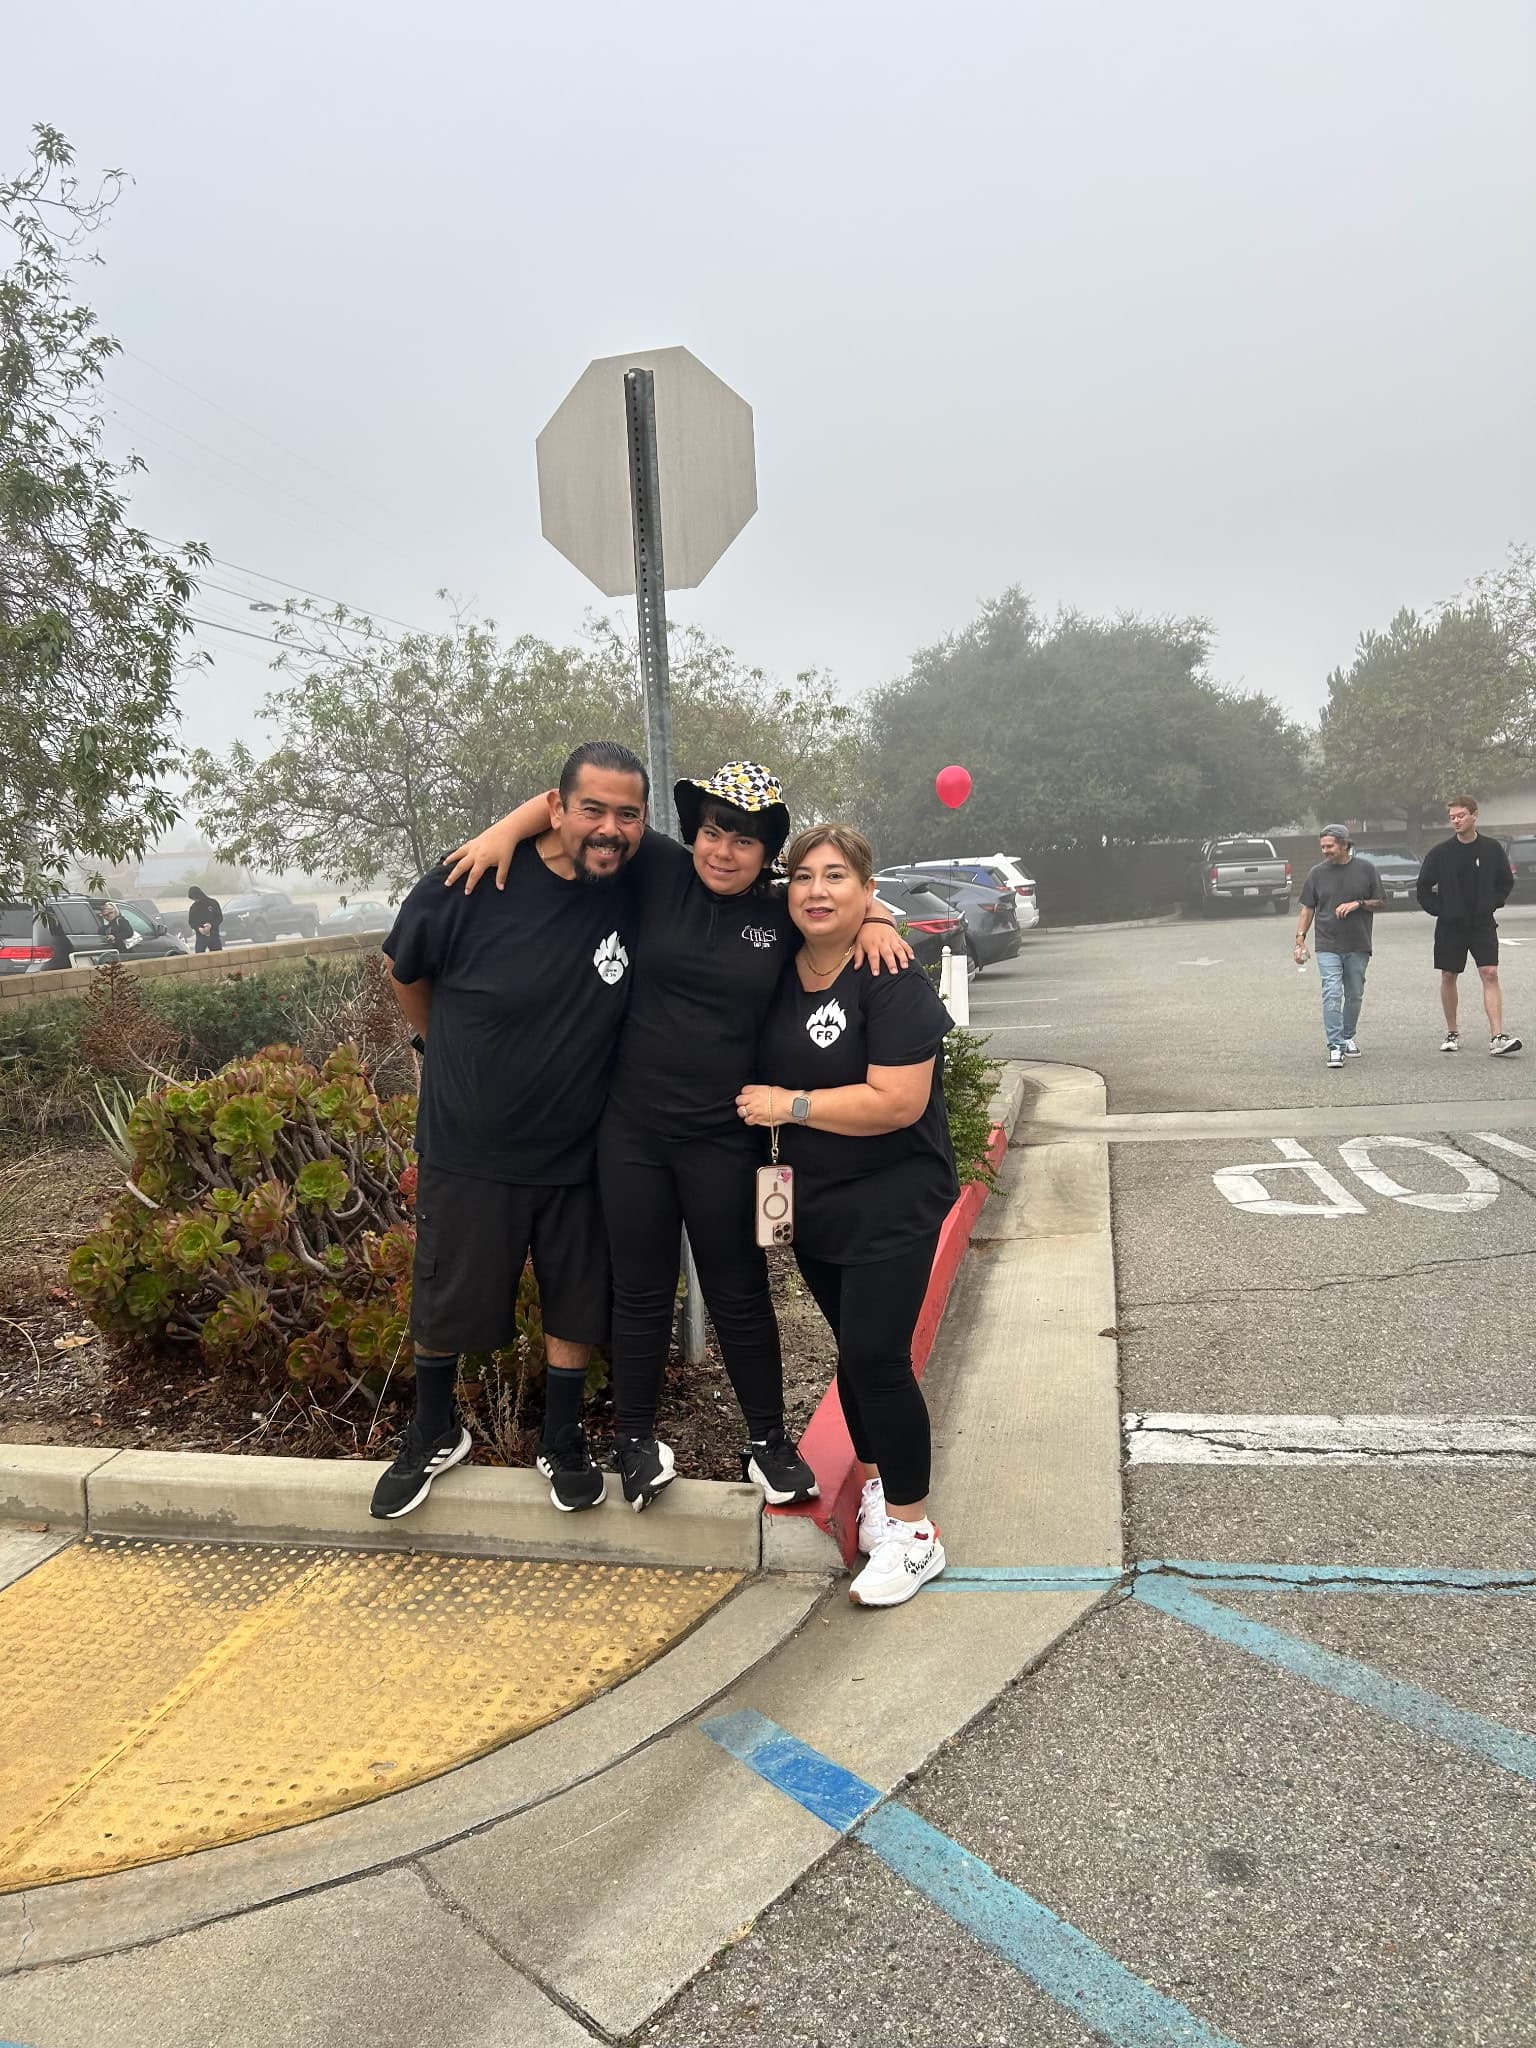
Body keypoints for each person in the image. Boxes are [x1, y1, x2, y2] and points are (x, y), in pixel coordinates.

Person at [446, 766, 911, 1512]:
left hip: (725, 1135)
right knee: (639, 1287)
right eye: (714, 832)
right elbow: (569, 811)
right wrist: (502, 832)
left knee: (738, 1288)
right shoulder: (659, 867)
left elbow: (838, 899)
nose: (724, 851)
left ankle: (766, 1441)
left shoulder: (778, 910)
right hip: (630, 1130)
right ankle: (635, 1438)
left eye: (746, 841)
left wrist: (881, 919)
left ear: (768, 856)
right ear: (694, 832)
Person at [370, 740, 647, 1520]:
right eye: (591, 808)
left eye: (627, 814)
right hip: (471, 1143)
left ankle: (561, 1440)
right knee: (444, 1300)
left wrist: (864, 914)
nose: (609, 828)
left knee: (576, 1304)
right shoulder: (471, 878)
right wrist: (444, 1049)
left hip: (584, 1149)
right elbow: (405, 973)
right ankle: (433, 1431)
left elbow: (746, 875)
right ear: (555, 808)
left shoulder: (634, 883)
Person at [736, 824, 959, 1609]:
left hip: (893, 1194)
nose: (817, 890)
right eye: (803, 877)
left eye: (839, 878)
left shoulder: (888, 975)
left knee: (875, 1358)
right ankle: (874, 1488)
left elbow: (897, 1102)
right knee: (851, 1352)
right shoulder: (774, 966)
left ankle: (916, 1531)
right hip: (814, 1198)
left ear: (869, 891)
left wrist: (787, 1103)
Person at [1416, 797, 1521, 1056]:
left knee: (1490, 973)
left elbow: (1505, 882)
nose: (1456, 820)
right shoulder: (1441, 853)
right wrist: (1442, 909)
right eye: (1452, 816)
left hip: (1482, 923)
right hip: (1451, 925)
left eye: (1461, 815)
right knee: (1449, 975)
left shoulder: (1491, 848)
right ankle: (1452, 1031)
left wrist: (1492, 903)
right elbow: (1423, 887)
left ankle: (1497, 1036)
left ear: (1475, 815)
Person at [1292, 827, 1382, 1071]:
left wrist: (1358, 904)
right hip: (1327, 943)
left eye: (1329, 846)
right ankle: (1335, 1046)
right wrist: (1300, 938)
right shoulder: (1316, 874)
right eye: (1322, 847)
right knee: (1332, 992)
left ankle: (1347, 1035)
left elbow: (1380, 902)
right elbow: (1307, 908)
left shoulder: (1366, 869)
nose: (1325, 851)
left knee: (1354, 994)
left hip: (1358, 942)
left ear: (1344, 845)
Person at [188, 886, 224, 953]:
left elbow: (219, 918)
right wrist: (198, 928)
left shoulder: (213, 903)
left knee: (217, 955)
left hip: (214, 935)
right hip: (200, 936)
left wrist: (211, 925)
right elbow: (191, 922)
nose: (195, 900)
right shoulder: (194, 907)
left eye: (196, 898)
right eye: (193, 899)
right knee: (199, 956)